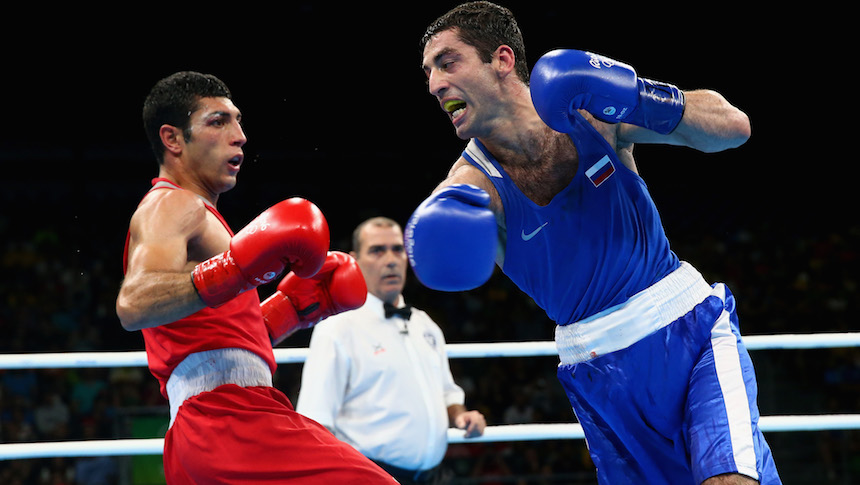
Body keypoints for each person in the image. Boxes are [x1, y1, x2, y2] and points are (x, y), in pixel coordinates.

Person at [407, 2, 781, 484]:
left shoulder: (590, 114)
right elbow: (441, 234)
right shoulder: (472, 187)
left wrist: (637, 94)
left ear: (501, 59)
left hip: (689, 333)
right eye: (428, 72)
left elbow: (733, 129)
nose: (434, 84)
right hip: (599, 374)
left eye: (447, 62)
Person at [115, 71, 397, 484]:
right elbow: (134, 303)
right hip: (229, 420)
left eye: (238, 120)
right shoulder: (174, 205)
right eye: (218, 121)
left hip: (212, 427)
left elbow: (216, 339)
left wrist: (290, 312)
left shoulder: (203, 217)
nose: (240, 135)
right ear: (173, 140)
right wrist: (234, 269)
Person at [296, 216, 487, 484]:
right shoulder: (338, 328)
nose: (391, 259)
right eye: (377, 250)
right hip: (369, 476)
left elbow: (446, 392)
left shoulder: (425, 324)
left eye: (398, 249)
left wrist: (461, 415)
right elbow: (316, 420)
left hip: (434, 475)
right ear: (355, 260)